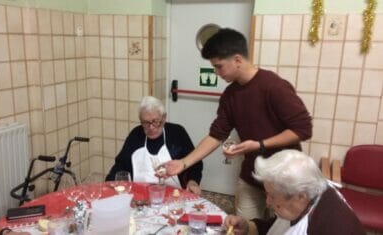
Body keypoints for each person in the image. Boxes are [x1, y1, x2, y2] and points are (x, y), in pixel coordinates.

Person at [165, 28, 312, 218]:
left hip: (285, 178)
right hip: (252, 175)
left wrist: (260, 145)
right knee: (244, 226)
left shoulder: (274, 86)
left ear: (237, 60)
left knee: (280, 228)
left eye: (219, 66)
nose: (216, 73)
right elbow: (216, 134)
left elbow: (303, 129)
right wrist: (183, 163)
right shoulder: (230, 94)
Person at [224, 150, 365, 235]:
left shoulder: (332, 227)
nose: (267, 202)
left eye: (272, 196)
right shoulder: (310, 191)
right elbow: (280, 226)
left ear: (300, 197)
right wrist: (248, 227)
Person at [106, 96, 203, 195]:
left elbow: (195, 164)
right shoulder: (136, 135)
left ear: (164, 118)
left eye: (155, 122)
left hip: (173, 195)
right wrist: (109, 183)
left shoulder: (177, 133)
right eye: (146, 123)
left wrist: (193, 182)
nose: (151, 127)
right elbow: (121, 165)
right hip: (140, 195)